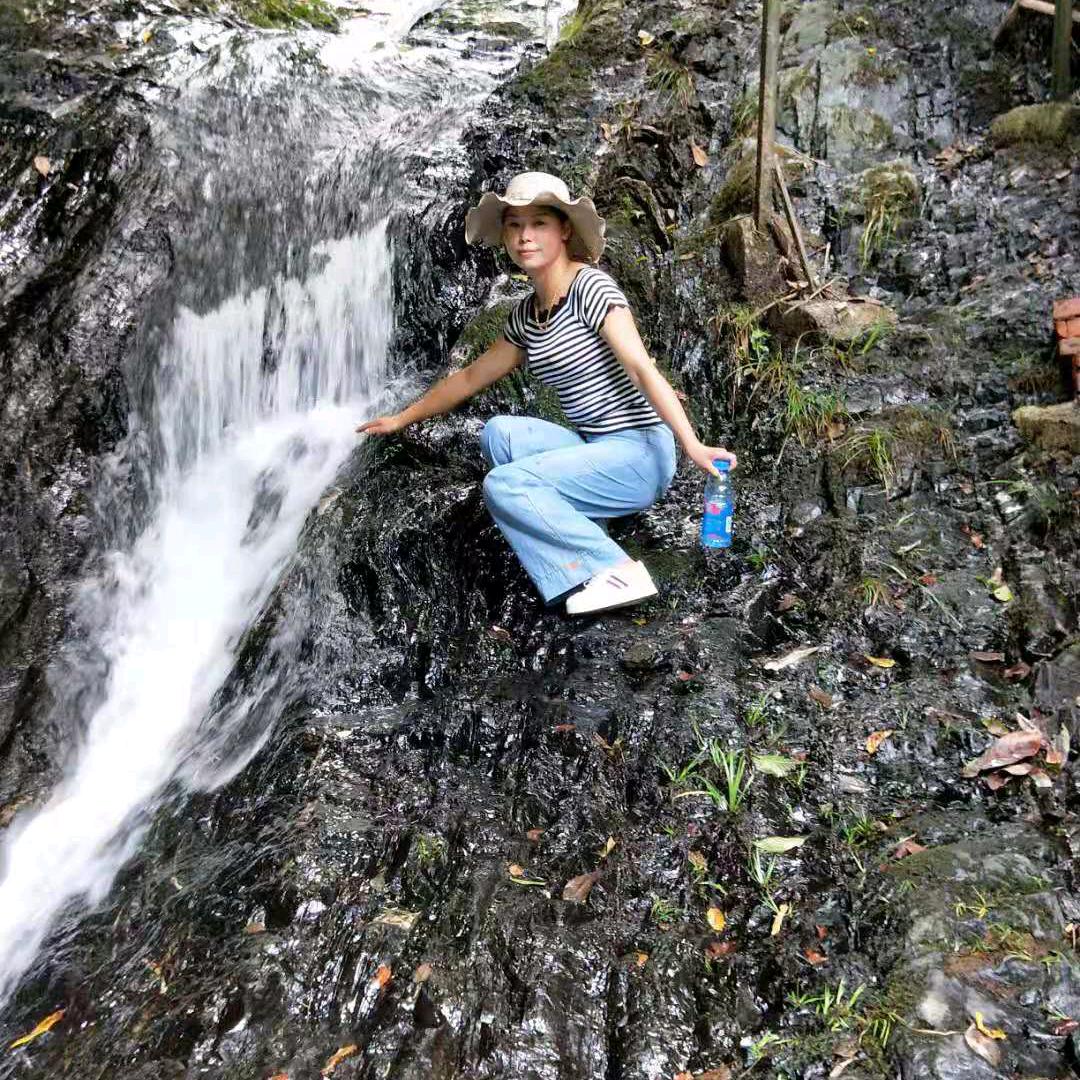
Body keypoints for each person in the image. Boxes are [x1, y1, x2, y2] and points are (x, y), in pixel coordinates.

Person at [358, 171, 737, 616]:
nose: (524, 236)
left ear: (564, 231)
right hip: (596, 448)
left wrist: (690, 443)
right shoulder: (528, 314)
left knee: (503, 485)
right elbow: (470, 377)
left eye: (538, 223)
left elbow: (640, 366)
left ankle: (611, 570)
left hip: (638, 456)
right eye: (515, 225)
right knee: (498, 434)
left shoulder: (591, 288)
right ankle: (586, 528)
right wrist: (403, 418)